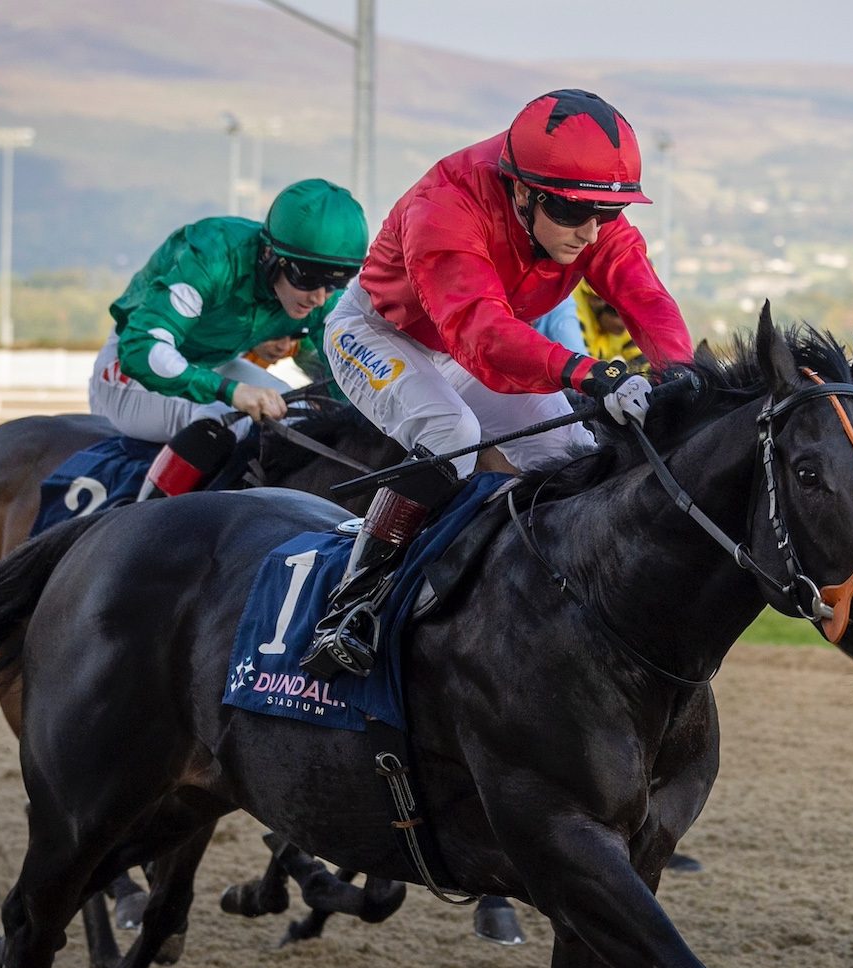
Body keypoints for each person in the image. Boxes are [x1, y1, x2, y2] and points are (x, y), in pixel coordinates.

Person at [303, 88, 693, 679]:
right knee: (448, 428)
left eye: (606, 214)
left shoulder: (584, 207)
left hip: (464, 341)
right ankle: (351, 606)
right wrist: (590, 374)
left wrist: (683, 379)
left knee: (573, 457)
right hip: (378, 334)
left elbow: (644, 297)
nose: (589, 232)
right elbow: (481, 335)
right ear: (521, 190)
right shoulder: (445, 205)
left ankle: (574, 614)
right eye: (570, 214)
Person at [88, 178, 369, 501]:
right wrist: (231, 391)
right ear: (269, 254)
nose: (319, 297)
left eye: (337, 282)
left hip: (213, 366)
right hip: (129, 371)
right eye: (307, 278)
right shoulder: (214, 256)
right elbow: (142, 349)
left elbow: (340, 379)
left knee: (302, 415)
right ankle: (138, 531)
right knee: (219, 415)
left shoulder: (318, 298)